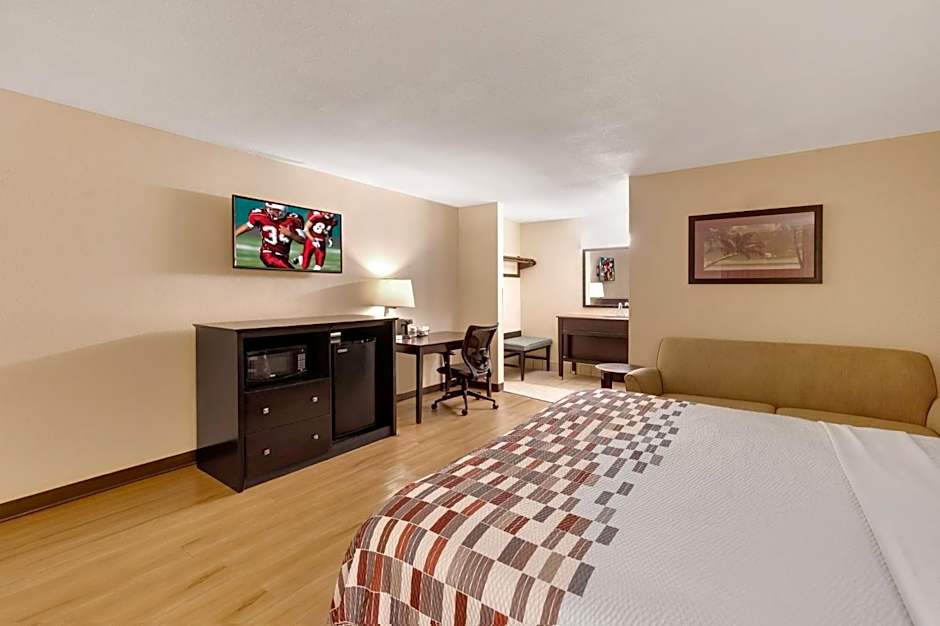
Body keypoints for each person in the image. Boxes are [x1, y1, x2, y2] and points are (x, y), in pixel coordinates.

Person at [234, 202, 304, 269]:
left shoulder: (293, 219)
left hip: (284, 256)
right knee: (292, 273)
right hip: (268, 254)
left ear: (283, 211)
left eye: (274, 210)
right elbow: (248, 226)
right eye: (269, 209)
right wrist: (233, 235)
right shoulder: (260, 215)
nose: (270, 211)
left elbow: (303, 240)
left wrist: (290, 234)